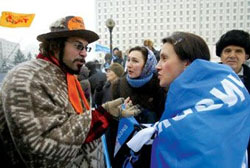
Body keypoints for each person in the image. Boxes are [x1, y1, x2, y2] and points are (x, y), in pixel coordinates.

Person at [0, 16, 141, 168]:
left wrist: (107, 115)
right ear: (55, 46)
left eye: (86, 48)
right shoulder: (28, 78)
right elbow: (42, 152)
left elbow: (75, 124)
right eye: (78, 46)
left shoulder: (65, 75)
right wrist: (103, 114)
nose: (84, 53)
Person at [126, 32, 250, 168]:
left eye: (164, 58)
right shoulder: (189, 99)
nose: (158, 66)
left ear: (187, 63)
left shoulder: (207, 117)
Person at [111, 46, 166, 167]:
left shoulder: (160, 85)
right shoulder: (118, 85)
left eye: (135, 61)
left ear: (147, 65)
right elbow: (111, 123)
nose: (129, 65)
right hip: (125, 150)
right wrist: (119, 114)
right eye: (129, 60)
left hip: (151, 151)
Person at [216, 29, 250, 166]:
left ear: (246, 55)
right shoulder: (207, 76)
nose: (232, 55)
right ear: (221, 55)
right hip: (218, 139)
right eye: (227, 50)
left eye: (238, 51)